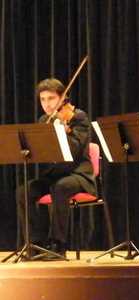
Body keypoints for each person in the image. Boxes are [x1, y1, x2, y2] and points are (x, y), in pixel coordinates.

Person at [17, 78, 96, 259]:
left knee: (60, 187)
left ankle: (58, 244)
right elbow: (42, 155)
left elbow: (75, 151)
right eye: (43, 99)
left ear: (63, 98)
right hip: (55, 175)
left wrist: (61, 129)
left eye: (51, 98)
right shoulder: (44, 120)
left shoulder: (78, 117)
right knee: (23, 192)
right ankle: (35, 244)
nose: (47, 104)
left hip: (79, 175)